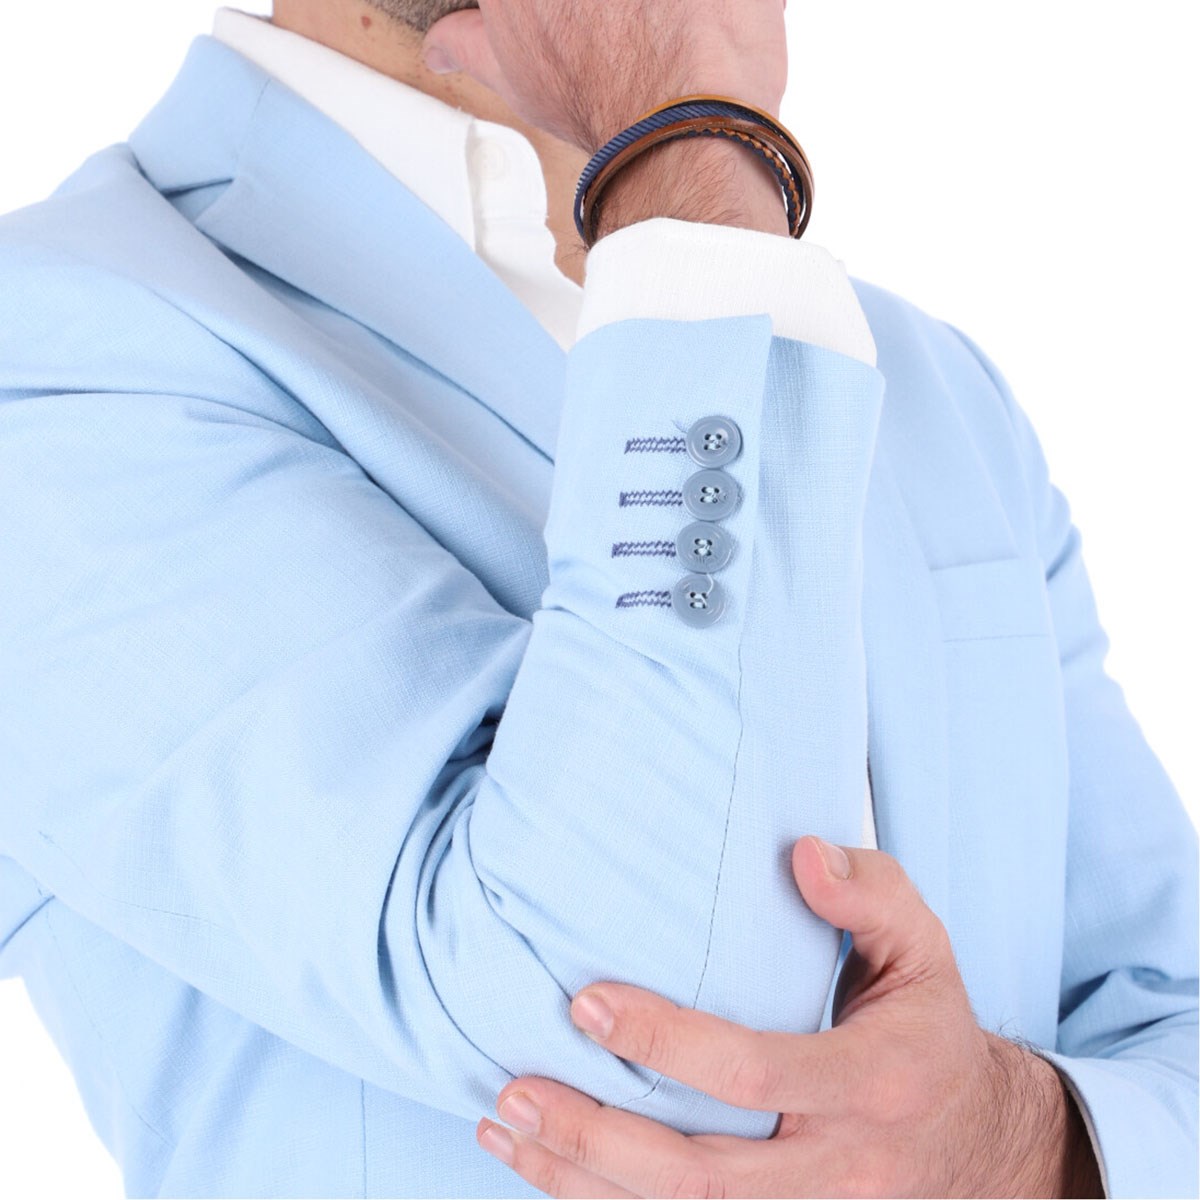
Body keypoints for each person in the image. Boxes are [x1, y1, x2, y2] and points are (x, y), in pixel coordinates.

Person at [0, 1, 1194, 1196]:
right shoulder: (56, 352)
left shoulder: (922, 377)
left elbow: (1172, 1014)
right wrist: (685, 145)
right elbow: (644, 1018)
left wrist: (1025, 1139)